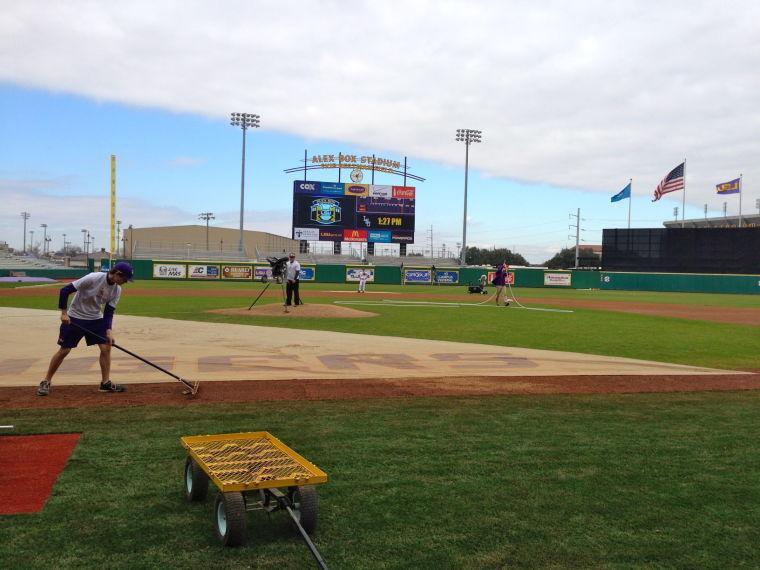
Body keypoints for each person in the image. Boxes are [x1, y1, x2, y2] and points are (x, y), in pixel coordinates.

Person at [37, 262, 134, 396]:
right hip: (75, 317)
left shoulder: (117, 290)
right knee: (64, 350)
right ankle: (46, 381)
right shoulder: (93, 278)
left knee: (106, 347)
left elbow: (109, 312)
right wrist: (64, 313)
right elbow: (65, 290)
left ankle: (105, 383)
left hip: (95, 319)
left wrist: (108, 330)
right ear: (117, 274)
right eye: (125, 279)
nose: (125, 282)